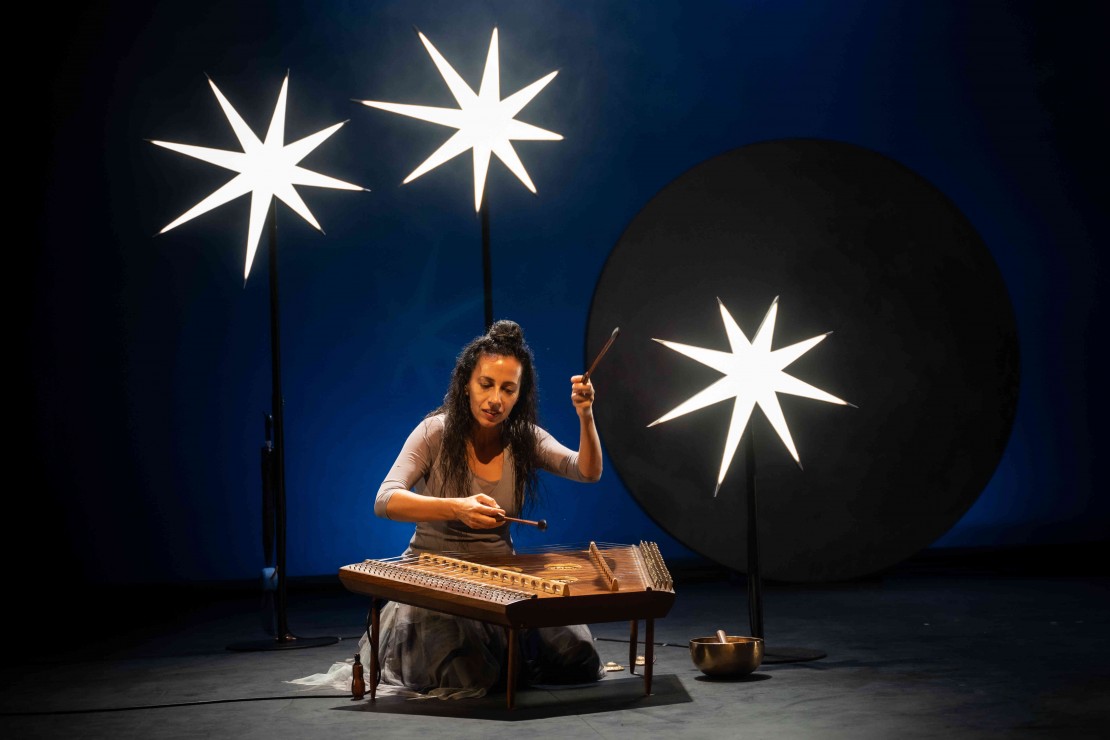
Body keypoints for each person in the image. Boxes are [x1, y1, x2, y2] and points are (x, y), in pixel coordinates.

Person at [363, 319, 605, 698]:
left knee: (579, 657)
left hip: (500, 579)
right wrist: (456, 508)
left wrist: (585, 414)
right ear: (466, 384)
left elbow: (587, 471)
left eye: (508, 389)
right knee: (469, 673)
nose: (495, 400)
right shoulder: (434, 432)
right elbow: (385, 499)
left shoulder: (523, 438)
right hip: (437, 578)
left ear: (519, 394)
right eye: (486, 384)